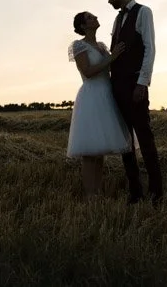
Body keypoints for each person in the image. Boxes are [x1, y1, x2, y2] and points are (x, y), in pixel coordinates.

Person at [105, 0, 163, 205]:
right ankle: (135, 192)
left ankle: (156, 193)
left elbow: (150, 49)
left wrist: (142, 83)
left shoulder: (143, 12)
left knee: (145, 139)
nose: (108, 0)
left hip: (134, 85)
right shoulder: (116, 21)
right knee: (125, 142)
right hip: (117, 86)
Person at [66, 11, 132, 198]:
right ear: (82, 26)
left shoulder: (102, 46)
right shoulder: (79, 45)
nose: (95, 17)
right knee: (90, 153)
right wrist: (112, 58)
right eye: (89, 17)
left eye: (94, 16)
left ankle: (98, 192)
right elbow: (87, 71)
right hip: (91, 97)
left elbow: (112, 67)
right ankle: (90, 195)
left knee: (100, 150)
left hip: (107, 95)